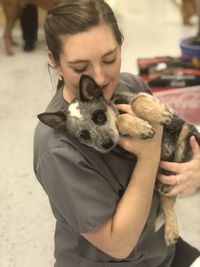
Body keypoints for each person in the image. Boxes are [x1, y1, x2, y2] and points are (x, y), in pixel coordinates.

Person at [33, 0, 200, 266]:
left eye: (110, 59)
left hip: (159, 250)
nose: (99, 78)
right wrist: (149, 154)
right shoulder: (57, 147)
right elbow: (119, 245)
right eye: (80, 68)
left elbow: (181, 137)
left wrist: (194, 170)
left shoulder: (129, 85)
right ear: (55, 62)